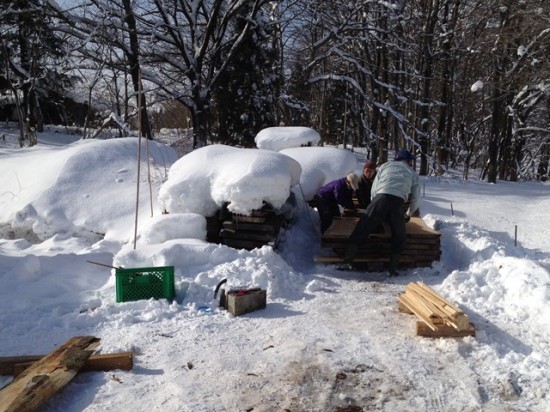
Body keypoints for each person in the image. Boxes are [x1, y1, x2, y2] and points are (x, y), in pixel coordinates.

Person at [339, 149, 421, 274]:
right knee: (399, 235)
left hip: (380, 198)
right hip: (398, 202)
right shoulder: (412, 172)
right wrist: (408, 214)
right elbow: (416, 197)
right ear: (408, 160)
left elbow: (374, 188)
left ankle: (346, 262)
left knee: (362, 228)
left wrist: (374, 208)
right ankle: (392, 269)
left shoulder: (385, 166)